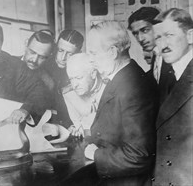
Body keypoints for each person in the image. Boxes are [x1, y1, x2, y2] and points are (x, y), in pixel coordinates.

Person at [67, 21, 157, 185]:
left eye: (93, 53)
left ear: (112, 52)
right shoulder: (123, 78)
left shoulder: (132, 87)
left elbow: (138, 156)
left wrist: (96, 155)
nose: (91, 60)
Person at [152, 8, 193, 186]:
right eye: (158, 38)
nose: (163, 45)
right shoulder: (167, 74)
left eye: (169, 35)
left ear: (190, 36)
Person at [45, 29, 84, 130]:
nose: (63, 58)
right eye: (60, 50)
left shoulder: (83, 72)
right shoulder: (43, 66)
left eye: (70, 54)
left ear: (79, 53)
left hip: (69, 127)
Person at [64, 53, 105, 138]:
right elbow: (82, 131)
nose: (74, 85)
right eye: (71, 79)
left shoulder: (110, 89)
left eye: (79, 78)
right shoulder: (69, 95)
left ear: (93, 74)